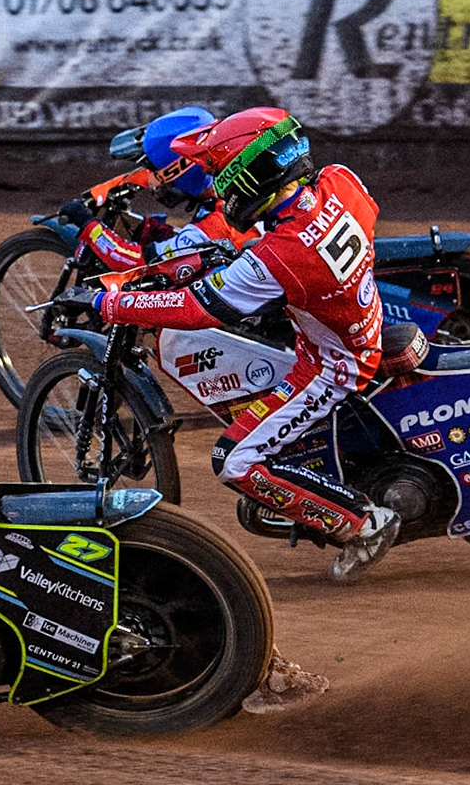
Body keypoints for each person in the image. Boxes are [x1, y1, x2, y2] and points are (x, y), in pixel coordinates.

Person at [72, 108, 399, 582]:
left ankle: (362, 525)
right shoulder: (338, 180)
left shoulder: (282, 254)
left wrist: (109, 305)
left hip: (333, 364)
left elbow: (195, 310)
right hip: (348, 318)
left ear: (254, 176)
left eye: (226, 176)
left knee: (234, 459)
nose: (221, 187)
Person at [63, 105, 259, 272]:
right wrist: (151, 231)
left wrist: (90, 227)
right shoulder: (234, 193)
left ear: (180, 172)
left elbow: (139, 264)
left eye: (154, 170)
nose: (151, 181)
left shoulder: (214, 222)